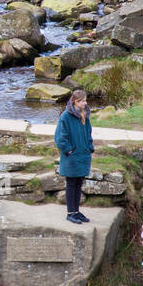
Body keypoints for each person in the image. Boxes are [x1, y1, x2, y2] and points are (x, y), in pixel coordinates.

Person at [54, 89, 94, 224]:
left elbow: (88, 133)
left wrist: (89, 147)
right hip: (71, 157)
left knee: (78, 184)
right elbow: (60, 138)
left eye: (85, 100)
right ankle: (70, 213)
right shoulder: (65, 116)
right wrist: (69, 151)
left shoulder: (85, 114)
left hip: (83, 156)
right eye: (83, 101)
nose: (85, 103)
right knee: (71, 184)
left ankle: (76, 212)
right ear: (75, 102)